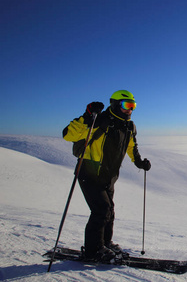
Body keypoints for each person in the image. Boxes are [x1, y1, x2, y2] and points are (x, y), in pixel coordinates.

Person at [62, 90, 151, 261]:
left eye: (133, 106)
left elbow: (131, 146)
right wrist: (87, 116)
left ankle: (104, 243)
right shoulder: (99, 120)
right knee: (101, 210)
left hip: (108, 176)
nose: (130, 110)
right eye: (126, 106)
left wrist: (139, 162)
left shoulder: (129, 126)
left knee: (109, 210)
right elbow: (68, 135)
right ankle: (93, 251)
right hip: (88, 172)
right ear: (116, 104)